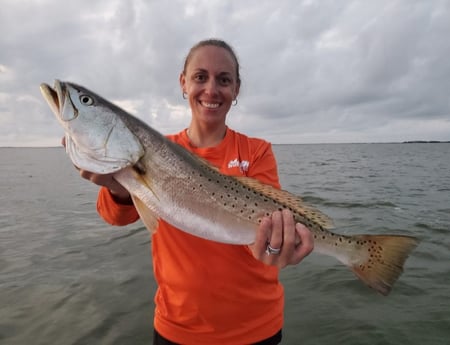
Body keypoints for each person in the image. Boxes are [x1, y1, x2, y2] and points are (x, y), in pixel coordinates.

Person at [75, 39, 314, 345]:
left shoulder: (257, 151)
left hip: (257, 328)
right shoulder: (155, 149)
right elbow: (116, 217)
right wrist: (119, 189)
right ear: (183, 83)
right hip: (177, 328)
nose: (211, 90)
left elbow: (265, 241)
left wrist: (275, 248)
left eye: (224, 80)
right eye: (200, 77)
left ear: (236, 89)